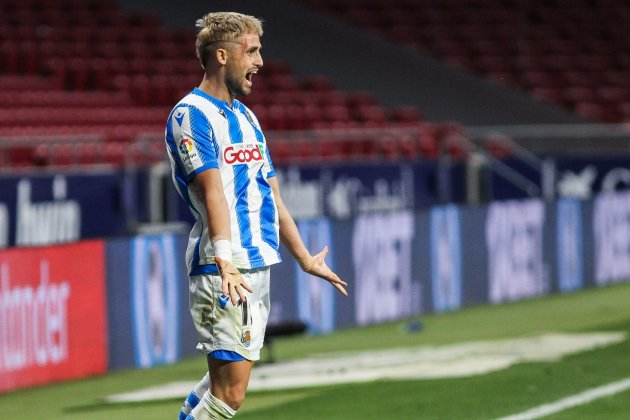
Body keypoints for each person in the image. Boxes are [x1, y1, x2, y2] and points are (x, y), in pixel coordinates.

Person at [164, 12, 349, 419]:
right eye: (251, 51)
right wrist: (226, 263)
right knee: (230, 395)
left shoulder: (247, 118)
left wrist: (303, 257)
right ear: (222, 56)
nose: (260, 62)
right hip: (224, 269)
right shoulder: (190, 115)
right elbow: (213, 193)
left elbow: (271, 194)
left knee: (223, 385)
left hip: (255, 265)